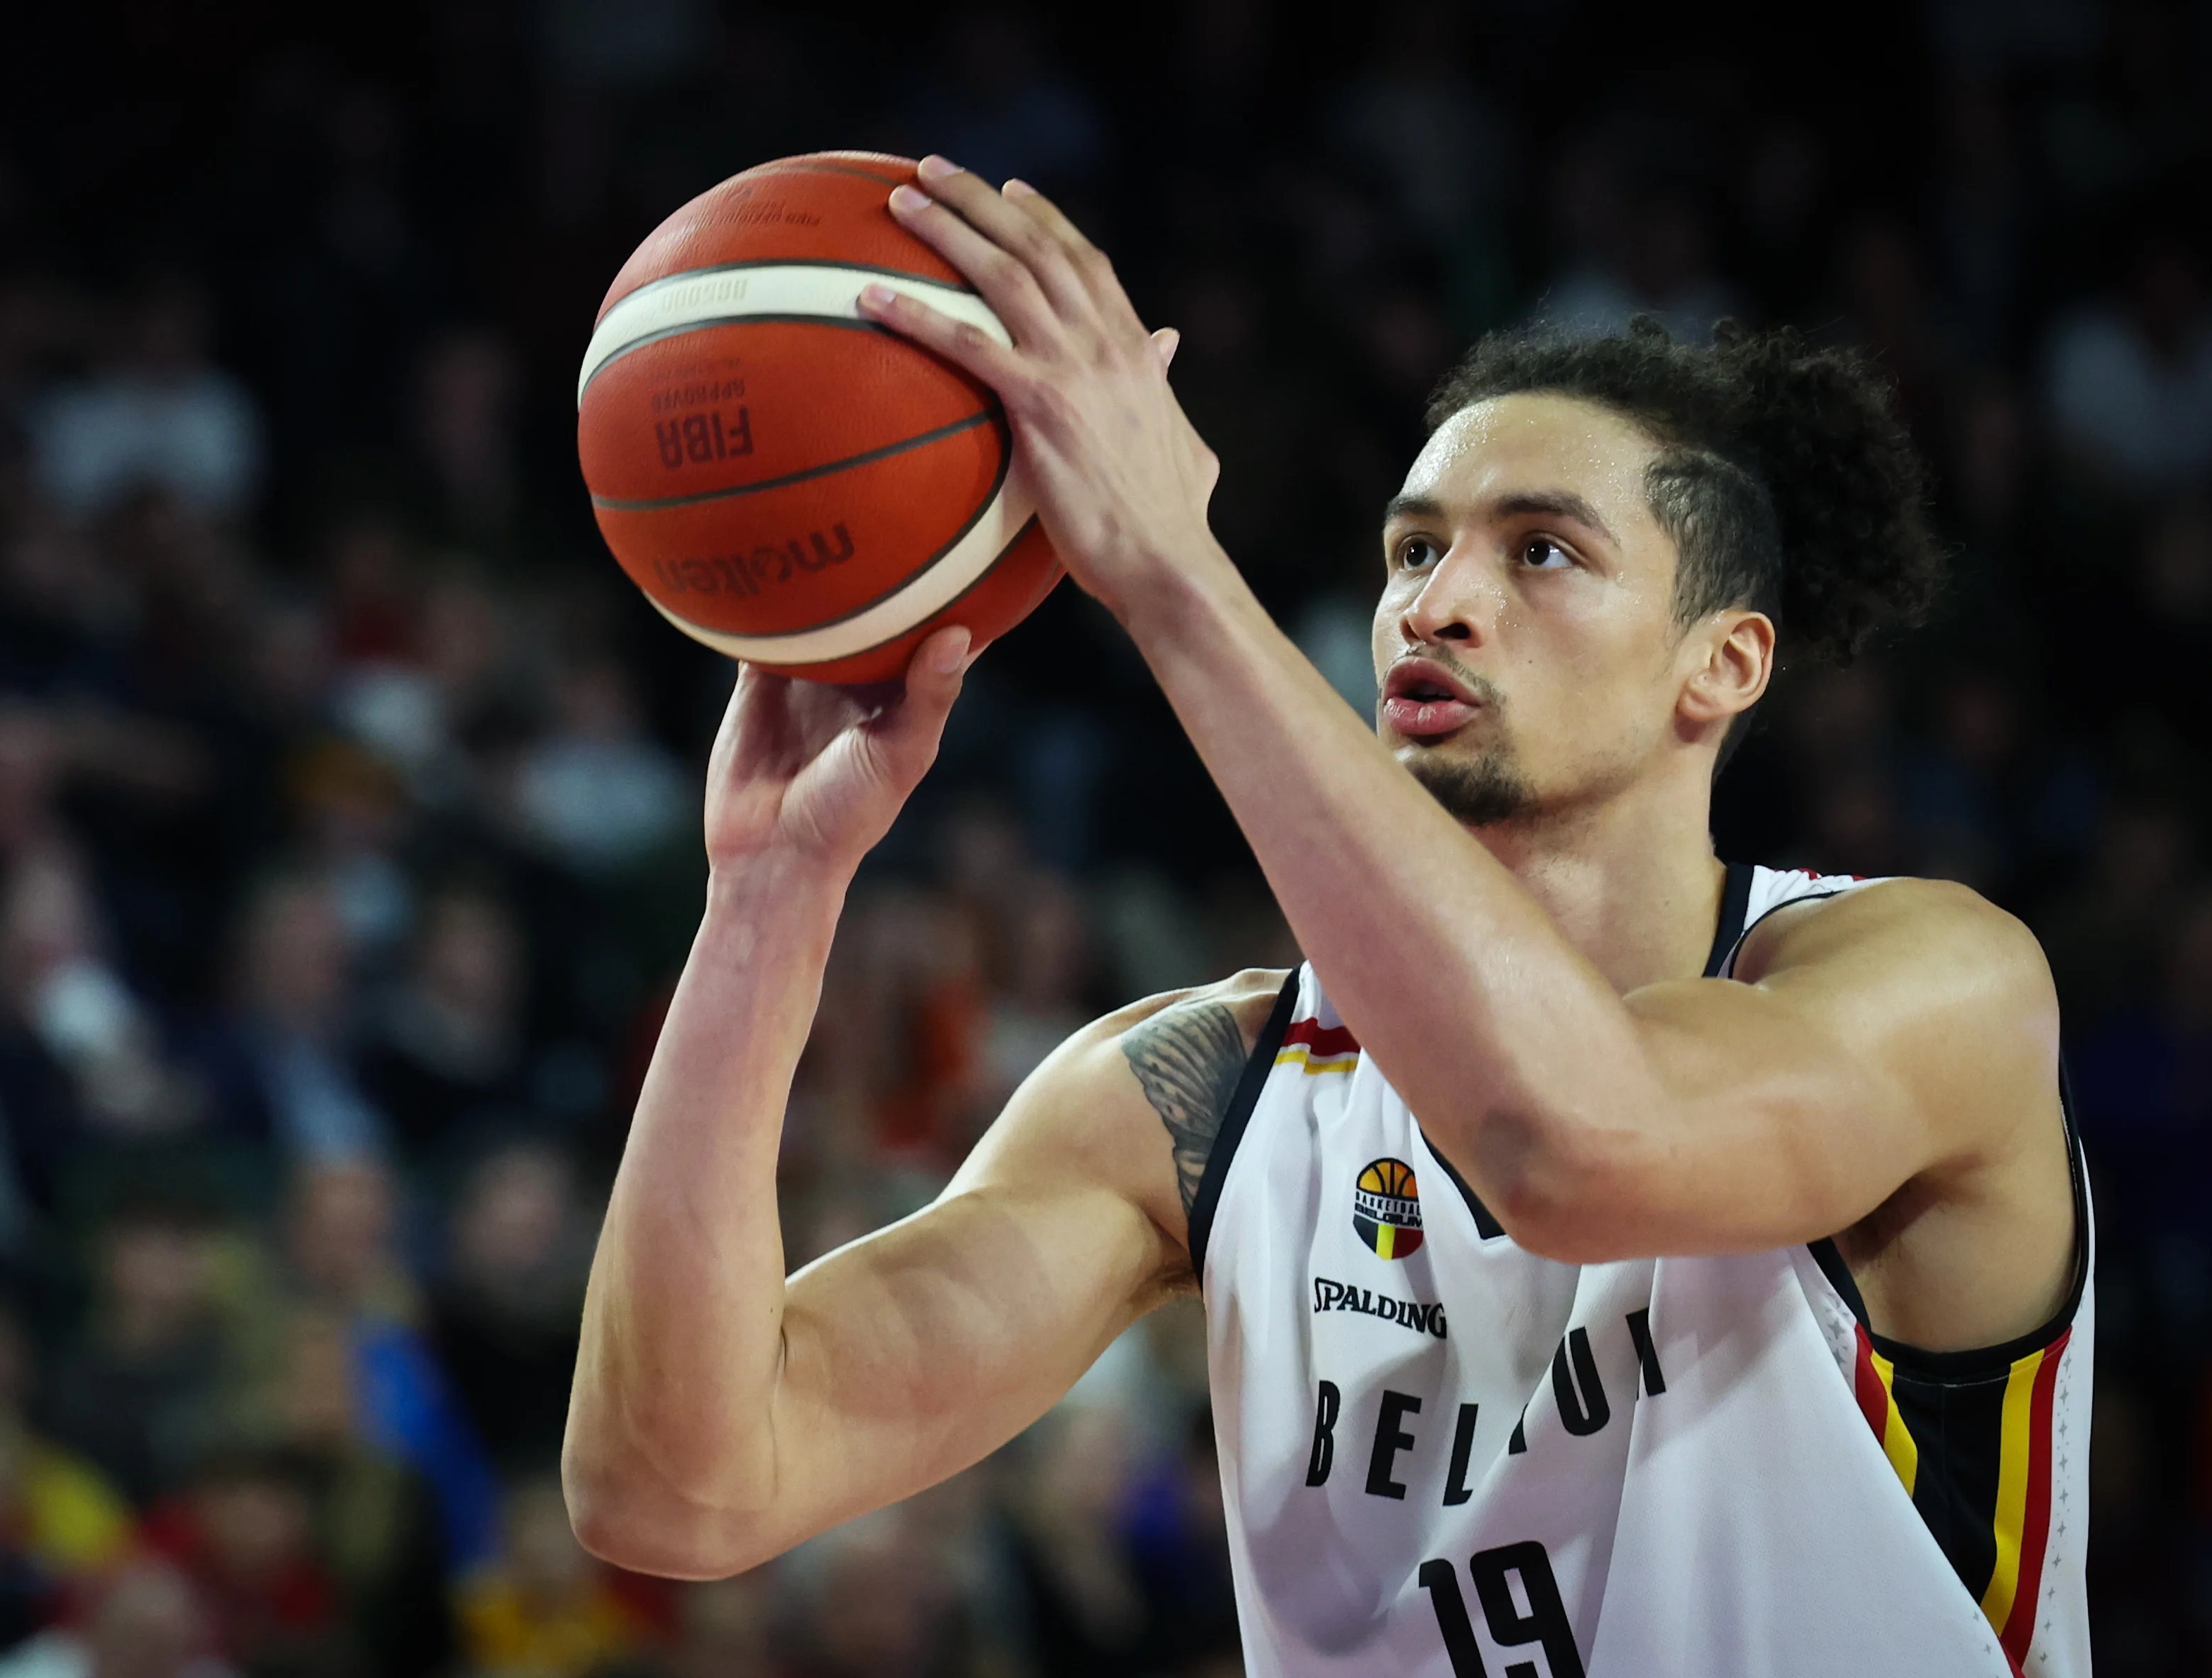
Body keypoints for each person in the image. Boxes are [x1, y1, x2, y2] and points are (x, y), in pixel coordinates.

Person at [565, 157, 2089, 1677]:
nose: (1436, 601)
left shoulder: (1932, 978)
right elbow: (679, 1486)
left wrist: (1171, 572)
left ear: (1724, 665)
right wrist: (764, 906)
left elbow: (1580, 1139)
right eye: (1414, 549)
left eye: (1540, 550)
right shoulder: (1205, 1095)